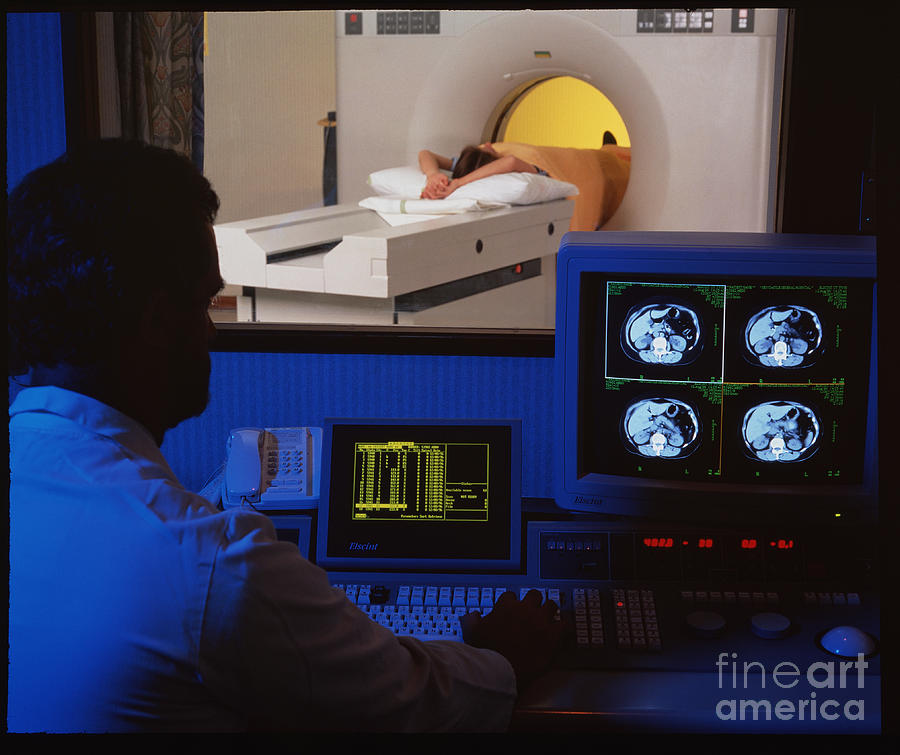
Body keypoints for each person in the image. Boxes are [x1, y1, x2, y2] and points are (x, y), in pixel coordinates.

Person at [7, 140, 563, 733]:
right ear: (157, 322)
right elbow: (415, 698)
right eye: (204, 305)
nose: (212, 334)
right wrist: (504, 657)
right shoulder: (212, 568)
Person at [418, 135, 631, 231]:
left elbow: (425, 153)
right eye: (487, 149)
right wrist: (445, 179)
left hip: (583, 159)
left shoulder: (473, 164)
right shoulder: (531, 171)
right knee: (619, 168)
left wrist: (445, 179)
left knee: (613, 159)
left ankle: (609, 147)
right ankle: (611, 148)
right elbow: (511, 162)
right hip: (593, 169)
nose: (490, 144)